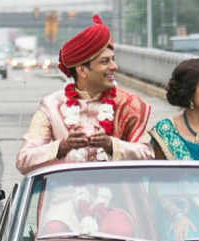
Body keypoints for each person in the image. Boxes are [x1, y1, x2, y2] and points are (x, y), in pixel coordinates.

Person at [16, 15, 154, 176]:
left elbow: (148, 156)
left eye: (113, 60)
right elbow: (23, 161)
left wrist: (110, 144)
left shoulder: (129, 103)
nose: (114, 67)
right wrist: (63, 146)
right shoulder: (52, 105)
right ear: (82, 71)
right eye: (105, 62)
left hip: (119, 197)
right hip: (64, 197)